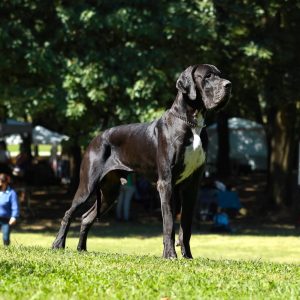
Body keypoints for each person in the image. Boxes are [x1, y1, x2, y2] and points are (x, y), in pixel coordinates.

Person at [0, 173, 20, 245]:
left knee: (5, 237)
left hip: (6, 219)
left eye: (1, 182)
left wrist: (14, 217)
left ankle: (6, 251)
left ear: (5, 182)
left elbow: (15, 206)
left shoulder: (11, 193)